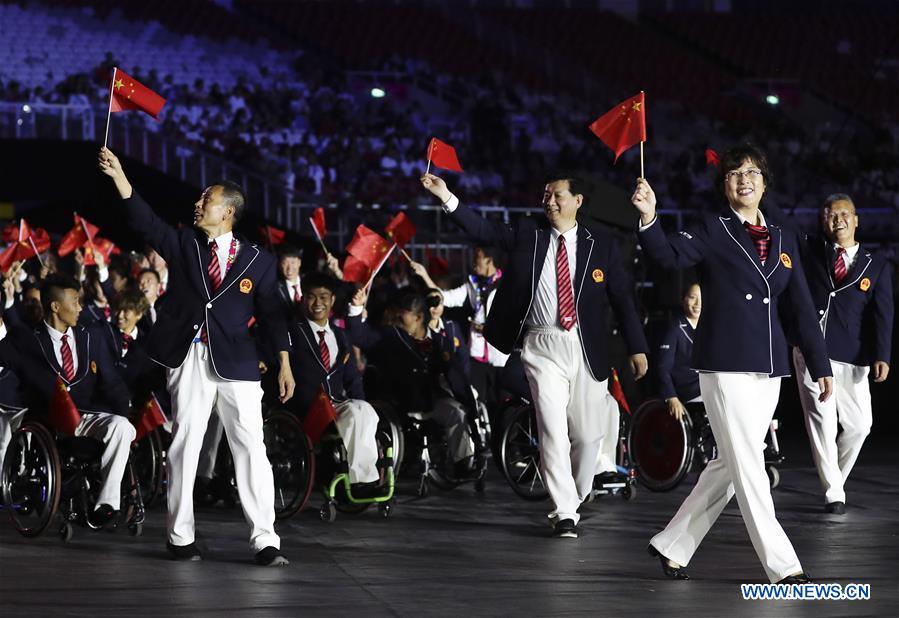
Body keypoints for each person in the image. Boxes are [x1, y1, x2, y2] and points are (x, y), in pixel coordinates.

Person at [632, 144, 833, 584]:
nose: (744, 179)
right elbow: (667, 257)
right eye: (735, 173)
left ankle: (673, 545)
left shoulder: (783, 236)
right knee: (749, 464)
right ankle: (783, 566)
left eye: (753, 172)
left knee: (730, 464)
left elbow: (800, 305)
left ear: (765, 182)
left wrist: (821, 365)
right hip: (723, 364)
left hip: (769, 367)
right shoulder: (712, 228)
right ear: (724, 185)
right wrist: (649, 217)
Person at [421, 171, 649, 539]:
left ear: (578, 201)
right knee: (551, 426)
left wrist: (637, 347)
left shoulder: (601, 243)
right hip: (542, 345)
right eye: (546, 195)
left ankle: (575, 495)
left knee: (590, 436)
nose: (550, 201)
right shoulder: (528, 233)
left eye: (558, 195)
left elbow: (622, 298)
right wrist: (446, 196)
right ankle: (563, 511)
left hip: (586, 347)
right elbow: (482, 229)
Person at [98, 147, 295, 566]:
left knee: (251, 447)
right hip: (188, 357)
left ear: (228, 212)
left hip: (238, 364)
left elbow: (273, 314)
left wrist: (284, 361)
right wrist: (120, 178)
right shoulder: (185, 242)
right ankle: (179, 537)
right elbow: (145, 223)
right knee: (185, 444)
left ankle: (266, 540)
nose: (198, 203)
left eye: (206, 199)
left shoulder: (260, 260)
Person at [0, 274, 135, 529]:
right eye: (75, 301)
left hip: (85, 416)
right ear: (55, 306)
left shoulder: (90, 336)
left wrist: (125, 411)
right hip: (48, 422)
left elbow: (111, 381)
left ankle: (106, 505)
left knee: (122, 427)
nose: (81, 307)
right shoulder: (27, 338)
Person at [790, 194, 893, 514]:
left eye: (845, 214)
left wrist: (883, 355)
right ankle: (834, 491)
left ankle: (836, 479)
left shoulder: (876, 264)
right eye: (832, 214)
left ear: (857, 219)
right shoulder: (811, 250)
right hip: (812, 350)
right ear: (824, 220)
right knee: (823, 422)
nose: (839, 219)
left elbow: (883, 313)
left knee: (861, 424)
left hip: (854, 353)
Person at [348, 288, 478, 478]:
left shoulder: (439, 342)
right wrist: (357, 307)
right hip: (401, 402)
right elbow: (360, 337)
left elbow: (455, 376)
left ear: (418, 317)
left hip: (431, 401)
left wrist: (469, 406)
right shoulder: (392, 336)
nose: (399, 318)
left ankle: (462, 464)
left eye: (404, 315)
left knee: (455, 412)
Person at [288, 272, 380, 494]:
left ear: (332, 301)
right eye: (311, 297)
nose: (318, 303)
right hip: (307, 407)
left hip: (336, 403)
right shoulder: (291, 332)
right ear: (303, 299)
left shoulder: (340, 335)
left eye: (323, 297)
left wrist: (360, 402)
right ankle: (357, 481)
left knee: (365, 411)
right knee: (357, 414)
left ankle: (363, 480)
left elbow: (351, 377)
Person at [410, 246, 509, 412]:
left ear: (488, 261)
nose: (473, 262)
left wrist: (492, 327)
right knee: (479, 403)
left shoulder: (507, 284)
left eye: (477, 257)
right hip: (477, 356)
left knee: (502, 405)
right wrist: (424, 275)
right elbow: (445, 298)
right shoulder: (472, 284)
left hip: (500, 354)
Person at [657, 283, 702, 421]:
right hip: (690, 392)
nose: (698, 303)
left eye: (702, 298)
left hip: (710, 387)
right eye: (693, 297)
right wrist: (671, 397)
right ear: (684, 299)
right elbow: (663, 368)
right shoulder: (675, 329)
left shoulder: (711, 327)